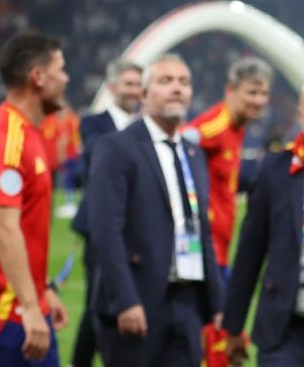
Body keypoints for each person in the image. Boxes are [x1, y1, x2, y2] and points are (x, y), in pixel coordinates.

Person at [87, 53, 223, 366]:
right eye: (166, 81)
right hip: (139, 300)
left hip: (187, 302)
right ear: (144, 95)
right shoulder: (117, 147)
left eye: (183, 82)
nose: (177, 88)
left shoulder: (193, 153)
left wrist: (216, 302)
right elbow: (106, 232)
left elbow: (200, 230)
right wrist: (125, 300)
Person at [222, 76, 304, 367]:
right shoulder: (275, 171)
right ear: (300, 115)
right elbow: (249, 253)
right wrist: (233, 328)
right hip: (287, 332)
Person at [0, 33, 70, 366]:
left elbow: (25, 227)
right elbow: (4, 227)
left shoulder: (27, 134)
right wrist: (31, 307)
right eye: (60, 69)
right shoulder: (6, 139)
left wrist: (42, 290)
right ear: (38, 77)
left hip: (24, 306)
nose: (66, 78)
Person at [70, 58, 143, 367]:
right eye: (128, 84)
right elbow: (99, 158)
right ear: (111, 87)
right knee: (96, 303)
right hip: (100, 226)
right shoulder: (93, 123)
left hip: (138, 227)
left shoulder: (144, 126)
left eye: (139, 85)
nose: (135, 91)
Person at [185, 56, 273, 279]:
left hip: (219, 249)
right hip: (204, 248)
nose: (259, 100)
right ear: (230, 90)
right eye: (252, 92)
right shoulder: (214, 126)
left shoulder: (237, 127)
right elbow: (178, 148)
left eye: (263, 94)